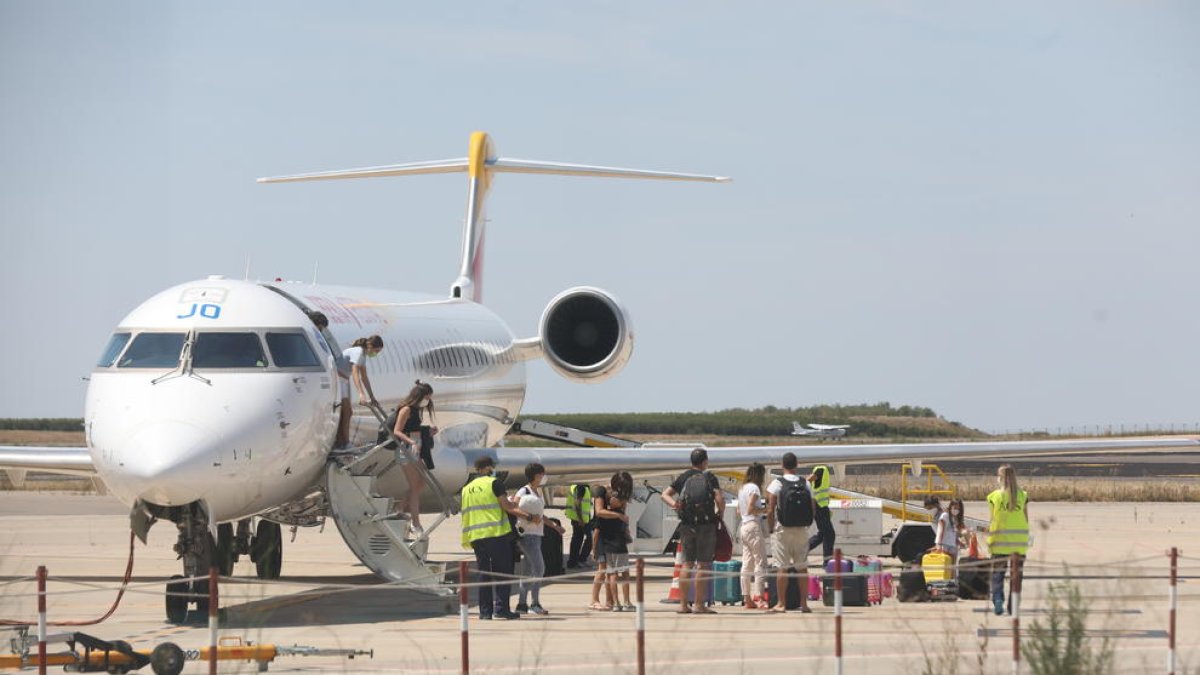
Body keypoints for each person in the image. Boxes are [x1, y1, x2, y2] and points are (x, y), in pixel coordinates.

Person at [460, 455, 535, 620]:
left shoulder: (467, 488)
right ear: (489, 467)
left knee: (483, 574)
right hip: (496, 534)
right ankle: (501, 609)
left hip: (476, 536)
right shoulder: (494, 483)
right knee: (503, 572)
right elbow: (506, 507)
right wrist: (528, 516)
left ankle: (485, 612)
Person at [661, 448, 723, 615]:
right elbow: (719, 499)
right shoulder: (709, 477)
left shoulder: (684, 477)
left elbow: (664, 494)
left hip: (687, 525)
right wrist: (719, 515)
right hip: (706, 525)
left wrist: (675, 505)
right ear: (705, 462)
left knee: (687, 564)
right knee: (703, 564)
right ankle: (699, 604)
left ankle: (682, 605)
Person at [765, 452, 814, 613]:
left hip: (782, 530)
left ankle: (781, 603)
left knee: (782, 568)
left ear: (782, 465)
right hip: (801, 530)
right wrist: (807, 523)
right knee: (802, 567)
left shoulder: (776, 484)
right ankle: (804, 604)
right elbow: (812, 506)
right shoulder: (805, 483)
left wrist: (771, 528)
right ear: (796, 465)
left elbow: (770, 509)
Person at [514, 463, 563, 615]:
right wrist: (528, 517)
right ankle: (535, 603)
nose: (543, 477)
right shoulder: (523, 491)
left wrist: (554, 526)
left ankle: (522, 604)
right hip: (528, 536)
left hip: (537, 535)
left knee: (529, 570)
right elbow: (513, 507)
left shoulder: (537, 491)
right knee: (540, 569)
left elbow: (540, 516)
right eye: (542, 474)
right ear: (536, 475)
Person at [389, 381, 437, 536]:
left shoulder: (417, 410)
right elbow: (397, 431)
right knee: (415, 486)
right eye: (427, 397)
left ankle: (399, 509)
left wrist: (428, 433)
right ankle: (416, 523)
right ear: (420, 396)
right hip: (407, 449)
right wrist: (411, 442)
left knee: (420, 484)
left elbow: (414, 429)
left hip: (416, 448)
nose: (428, 400)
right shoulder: (406, 409)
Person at [987, 464, 1030, 616]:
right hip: (1019, 541)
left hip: (1000, 541)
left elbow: (993, 520)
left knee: (997, 574)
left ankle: (998, 598)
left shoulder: (994, 497)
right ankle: (1014, 605)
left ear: (1000, 478)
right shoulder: (1023, 495)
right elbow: (1026, 518)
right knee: (1016, 575)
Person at [307, 311, 352, 449]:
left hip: (334, 378)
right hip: (326, 381)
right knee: (346, 411)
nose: (321, 331)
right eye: (320, 327)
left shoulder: (318, 337)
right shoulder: (312, 336)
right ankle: (343, 442)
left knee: (346, 411)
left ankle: (343, 441)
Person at [591, 472, 634, 611]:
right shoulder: (601, 491)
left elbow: (624, 513)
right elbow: (599, 511)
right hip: (602, 534)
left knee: (610, 571)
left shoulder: (622, 495)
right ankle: (594, 600)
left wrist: (625, 528)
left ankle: (610, 600)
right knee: (603, 569)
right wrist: (618, 515)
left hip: (615, 535)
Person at [738, 463, 770, 610]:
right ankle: (760, 597)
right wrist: (765, 510)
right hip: (753, 526)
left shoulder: (742, 488)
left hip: (744, 527)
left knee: (747, 563)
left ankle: (747, 598)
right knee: (761, 562)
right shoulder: (754, 488)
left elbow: (740, 510)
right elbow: (751, 508)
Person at [343, 335, 384, 410]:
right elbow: (355, 374)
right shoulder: (358, 352)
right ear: (370, 346)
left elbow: (364, 377)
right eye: (376, 351)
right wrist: (361, 394)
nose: (376, 354)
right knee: (347, 411)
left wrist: (372, 397)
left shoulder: (363, 356)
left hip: (342, 377)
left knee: (348, 412)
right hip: (337, 376)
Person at [806, 464, 836, 560]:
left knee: (823, 534)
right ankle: (827, 561)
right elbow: (807, 481)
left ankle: (801, 550)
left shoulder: (823, 470)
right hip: (819, 506)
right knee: (829, 534)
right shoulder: (821, 469)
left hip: (822, 506)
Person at [565, 482, 594, 569]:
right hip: (581, 520)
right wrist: (581, 519)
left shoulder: (576, 486)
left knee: (577, 540)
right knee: (590, 539)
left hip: (577, 518)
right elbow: (578, 503)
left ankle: (573, 562)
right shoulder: (582, 487)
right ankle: (581, 560)